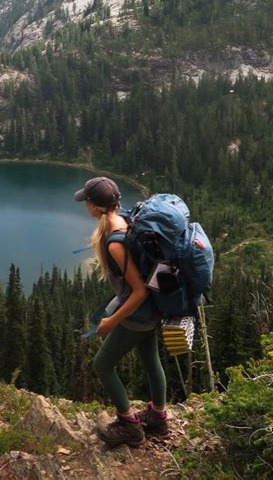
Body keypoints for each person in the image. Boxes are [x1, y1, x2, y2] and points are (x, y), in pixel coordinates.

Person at [74, 176, 168, 448]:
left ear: (94, 206)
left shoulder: (115, 241)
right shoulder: (126, 221)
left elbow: (138, 291)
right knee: (151, 360)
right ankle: (158, 419)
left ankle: (129, 426)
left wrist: (111, 321)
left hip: (137, 314)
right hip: (153, 309)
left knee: (102, 365)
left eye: (86, 202)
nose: (85, 206)